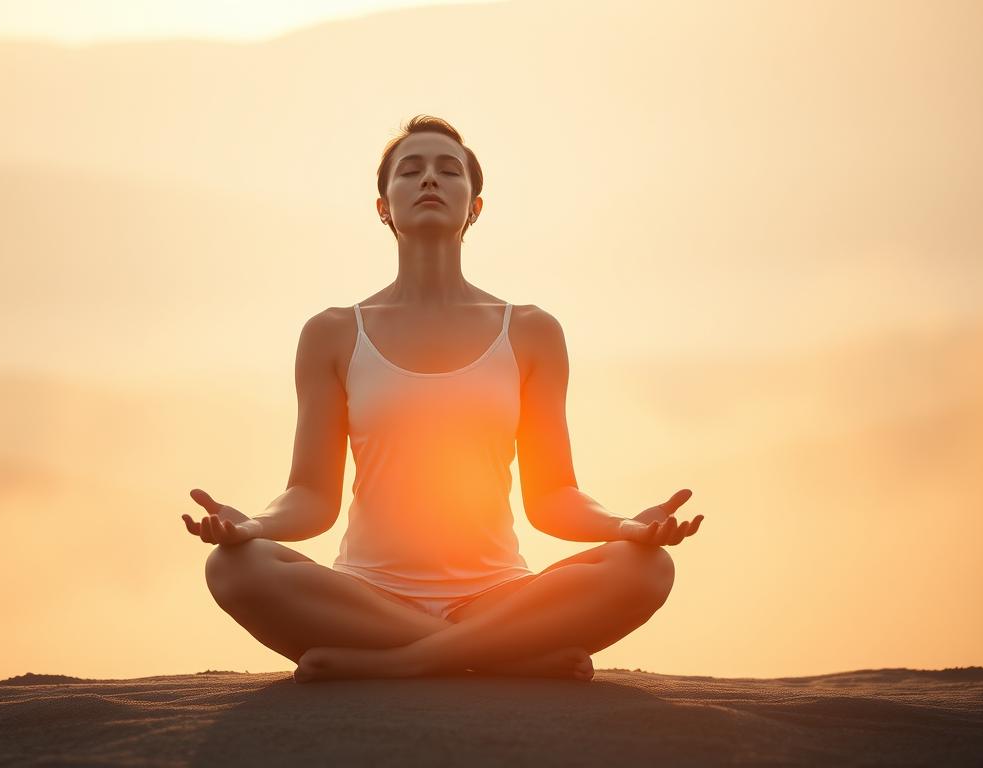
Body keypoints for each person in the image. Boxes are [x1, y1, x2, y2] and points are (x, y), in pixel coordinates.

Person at [183, 115, 704, 684]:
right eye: (410, 170)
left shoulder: (530, 331)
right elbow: (311, 495)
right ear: (383, 206)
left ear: (475, 206)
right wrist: (253, 527)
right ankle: (508, 657)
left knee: (647, 571)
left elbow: (554, 496)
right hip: (365, 596)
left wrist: (625, 527)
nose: (429, 179)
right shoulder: (332, 333)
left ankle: (397, 664)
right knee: (234, 569)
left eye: (447, 170)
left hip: (499, 594)